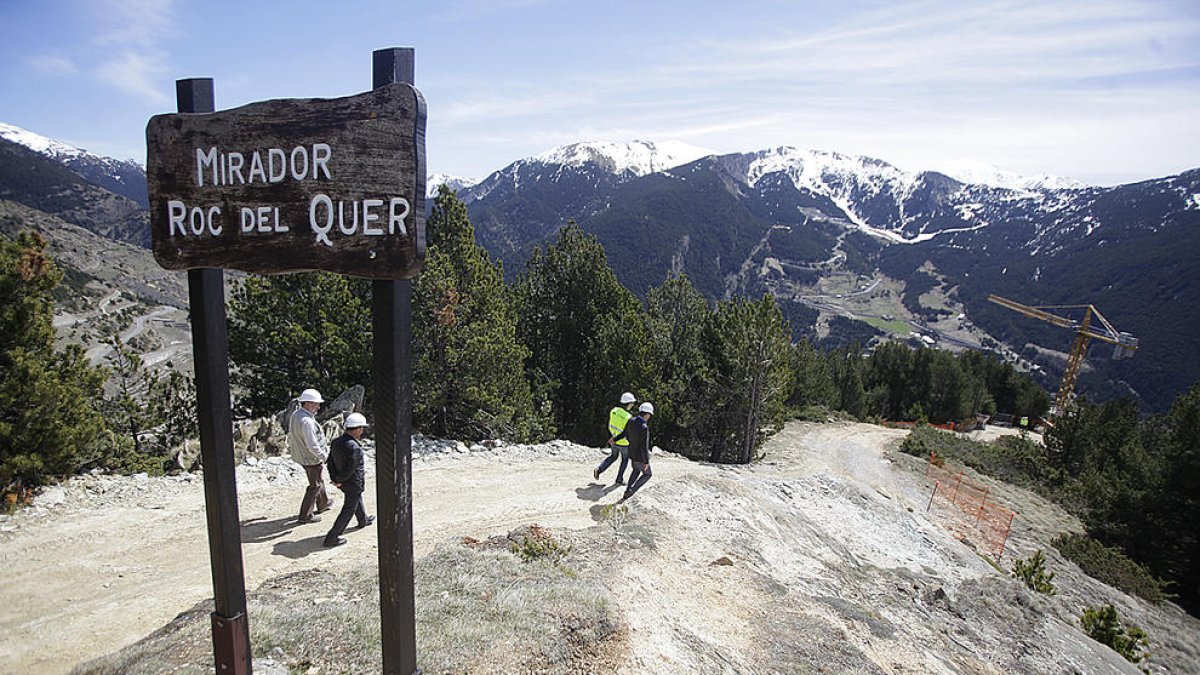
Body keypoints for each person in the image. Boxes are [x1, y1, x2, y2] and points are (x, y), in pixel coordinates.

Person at [323, 412, 375, 547]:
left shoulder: (336, 442)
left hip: (343, 482)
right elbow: (351, 468)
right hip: (352, 482)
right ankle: (332, 537)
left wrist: (335, 479)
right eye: (362, 429)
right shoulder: (354, 448)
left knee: (356, 499)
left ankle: (363, 520)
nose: (362, 432)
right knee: (348, 509)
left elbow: (330, 462)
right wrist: (340, 479)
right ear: (358, 429)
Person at [288, 388, 332, 523]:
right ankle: (305, 515)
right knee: (315, 485)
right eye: (315, 404)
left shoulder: (296, 415)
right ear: (307, 404)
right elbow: (312, 445)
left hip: (302, 455)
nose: (318, 407)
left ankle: (323, 503)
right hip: (310, 458)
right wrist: (325, 457)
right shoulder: (307, 421)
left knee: (318, 480)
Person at [612, 402, 654, 503]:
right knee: (648, 474)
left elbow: (624, 433)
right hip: (640, 456)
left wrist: (614, 439)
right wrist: (646, 461)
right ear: (647, 414)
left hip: (631, 452)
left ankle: (627, 491)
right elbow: (644, 446)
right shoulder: (644, 427)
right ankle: (631, 491)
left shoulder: (631, 421)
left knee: (635, 470)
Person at [594, 392, 636, 484]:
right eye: (632, 403)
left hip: (613, 440)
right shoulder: (628, 417)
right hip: (624, 443)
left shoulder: (613, 411)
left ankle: (599, 469)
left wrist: (611, 438)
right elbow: (625, 433)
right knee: (624, 460)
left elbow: (610, 425)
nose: (632, 405)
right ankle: (619, 479)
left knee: (613, 456)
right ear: (628, 403)